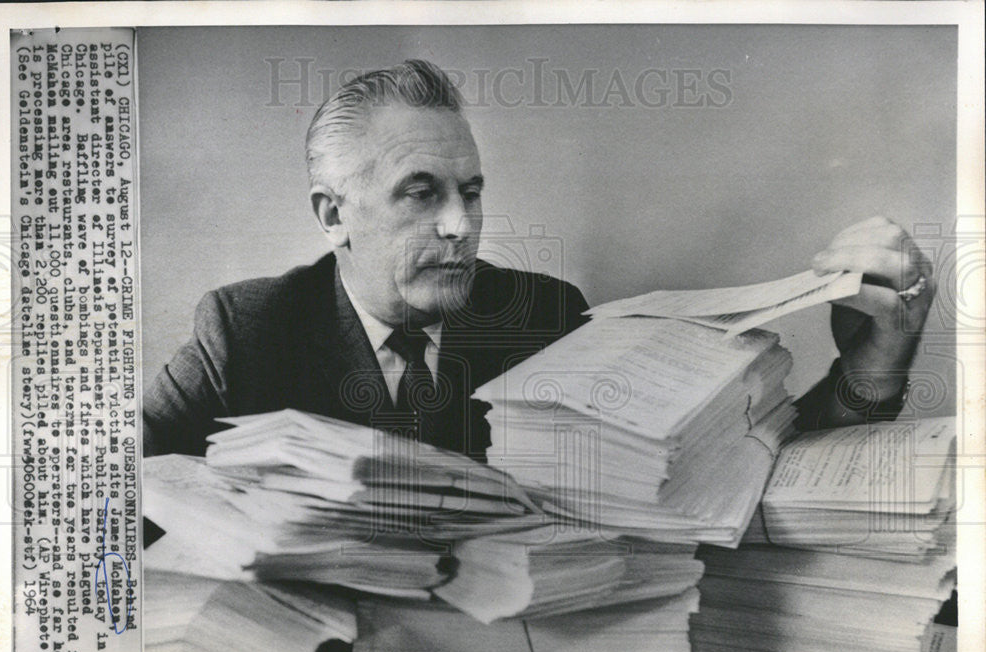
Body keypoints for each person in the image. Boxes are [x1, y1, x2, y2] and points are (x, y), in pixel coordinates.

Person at [143, 59, 936, 461]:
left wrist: (873, 372)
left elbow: (740, 475)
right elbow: (103, 502)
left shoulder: (546, 318)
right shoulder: (245, 330)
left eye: (472, 191)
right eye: (420, 193)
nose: (462, 225)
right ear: (332, 215)